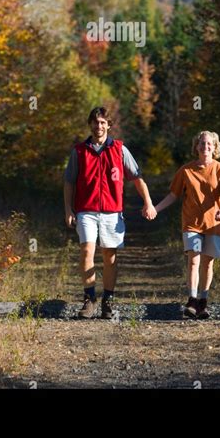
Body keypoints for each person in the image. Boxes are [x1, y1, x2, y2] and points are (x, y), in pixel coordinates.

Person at [64, 107, 157, 319]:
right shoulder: (79, 151)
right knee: (87, 250)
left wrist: (148, 203)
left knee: (109, 255)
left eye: (103, 122)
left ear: (109, 125)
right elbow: (69, 182)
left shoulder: (119, 149)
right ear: (90, 124)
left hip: (112, 212)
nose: (99, 126)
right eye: (96, 122)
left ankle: (108, 300)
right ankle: (89, 300)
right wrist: (68, 209)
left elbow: (136, 177)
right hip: (85, 210)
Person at [155, 130, 220, 320]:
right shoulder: (186, 170)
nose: (205, 147)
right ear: (196, 147)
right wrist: (155, 209)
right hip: (192, 224)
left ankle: (203, 301)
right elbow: (173, 195)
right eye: (202, 143)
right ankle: (191, 300)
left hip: (213, 224)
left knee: (207, 263)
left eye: (209, 144)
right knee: (194, 259)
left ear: (215, 147)